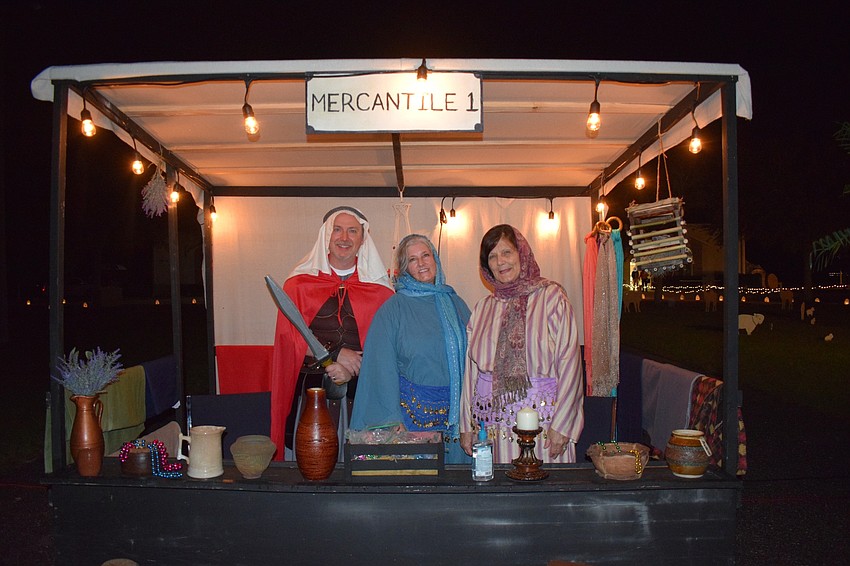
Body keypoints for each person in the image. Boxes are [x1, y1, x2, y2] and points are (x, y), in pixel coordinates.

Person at [270, 206, 394, 460]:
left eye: (352, 231)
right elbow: (289, 341)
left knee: (360, 466)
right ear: (326, 235)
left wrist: (352, 366)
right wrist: (334, 355)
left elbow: (388, 347)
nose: (344, 238)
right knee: (310, 462)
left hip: (363, 393)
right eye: (337, 229)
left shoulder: (381, 291)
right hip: (311, 391)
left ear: (363, 239)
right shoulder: (299, 284)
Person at [460, 224, 584, 463]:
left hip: (544, 428)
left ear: (522, 254)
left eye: (506, 252)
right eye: (492, 256)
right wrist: (467, 425)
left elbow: (569, 363)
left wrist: (563, 426)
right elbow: (471, 372)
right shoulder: (483, 308)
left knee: (545, 492)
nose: (500, 262)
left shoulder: (551, 298)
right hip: (495, 429)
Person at [351, 234, 472, 464]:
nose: (422, 263)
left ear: (435, 259)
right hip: (411, 422)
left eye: (426, 255)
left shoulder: (456, 304)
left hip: (457, 422)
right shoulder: (392, 310)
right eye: (413, 260)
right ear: (405, 269)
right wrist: (390, 418)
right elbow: (380, 368)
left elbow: (476, 358)